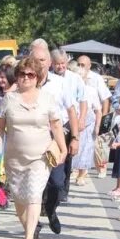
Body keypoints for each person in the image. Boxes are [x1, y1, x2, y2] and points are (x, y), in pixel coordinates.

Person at [0, 57, 67, 239]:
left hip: (40, 156)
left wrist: (63, 148)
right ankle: (31, 227)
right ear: (16, 77)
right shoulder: (8, 99)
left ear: (37, 77)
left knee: (34, 195)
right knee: (19, 198)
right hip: (14, 157)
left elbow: (56, 125)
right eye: (21, 74)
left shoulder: (47, 98)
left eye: (30, 75)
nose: (26, 78)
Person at [29, 42, 79, 236]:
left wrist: (75, 138)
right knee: (33, 183)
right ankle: (32, 226)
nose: (39, 64)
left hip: (56, 139)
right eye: (35, 60)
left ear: (49, 62)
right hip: (32, 139)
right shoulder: (25, 82)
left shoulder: (60, 83)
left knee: (57, 183)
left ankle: (50, 209)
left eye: (42, 60)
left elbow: (71, 111)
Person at [51, 49, 87, 199]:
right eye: (57, 64)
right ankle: (54, 188)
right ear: (52, 63)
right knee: (55, 156)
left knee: (68, 156)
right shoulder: (48, 79)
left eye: (63, 63)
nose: (60, 66)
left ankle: (64, 191)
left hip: (68, 122)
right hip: (53, 123)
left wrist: (81, 120)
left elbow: (83, 101)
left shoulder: (75, 79)